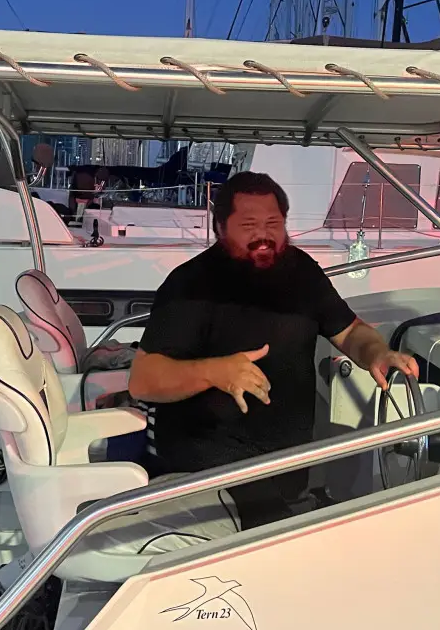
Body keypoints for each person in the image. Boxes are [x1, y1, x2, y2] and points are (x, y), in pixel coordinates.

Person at [128, 171, 419, 529]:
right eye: (248, 224)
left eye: (273, 223)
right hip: (208, 479)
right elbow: (143, 380)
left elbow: (350, 331)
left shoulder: (302, 273)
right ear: (220, 227)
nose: (263, 235)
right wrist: (215, 372)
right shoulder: (190, 285)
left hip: (285, 470)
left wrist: (377, 353)